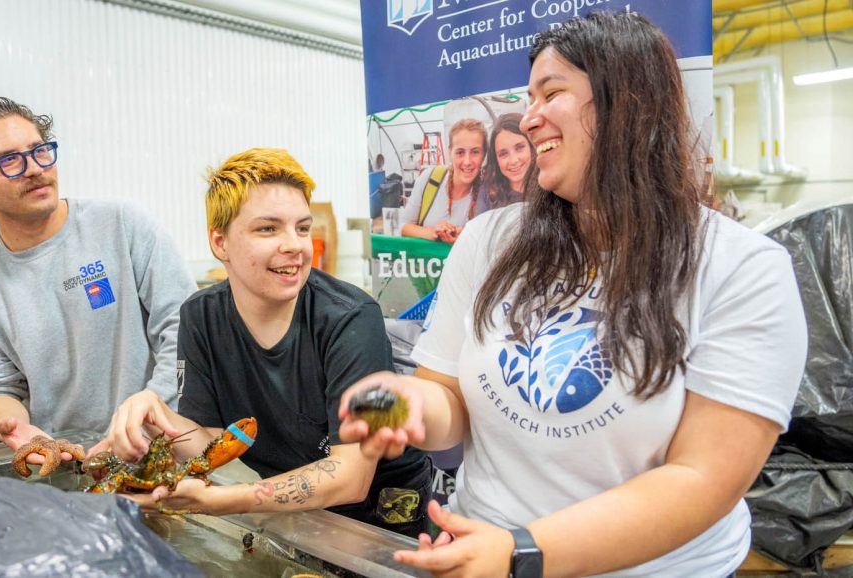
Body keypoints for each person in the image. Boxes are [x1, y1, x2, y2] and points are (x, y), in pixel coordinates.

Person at [339, 12, 806, 577]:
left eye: (551, 93)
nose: (529, 119)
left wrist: (523, 552)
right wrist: (407, 404)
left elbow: (702, 478)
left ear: (627, 102)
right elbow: (451, 402)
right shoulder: (490, 240)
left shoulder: (743, 267)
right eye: (528, 97)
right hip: (486, 548)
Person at [94, 148, 434, 537]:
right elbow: (211, 442)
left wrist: (226, 501)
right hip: (297, 511)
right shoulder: (200, 316)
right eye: (268, 229)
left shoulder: (352, 318)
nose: (295, 245)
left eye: (302, 228)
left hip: (382, 516)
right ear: (220, 243)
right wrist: (155, 419)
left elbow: (351, 476)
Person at [0, 96, 196, 469]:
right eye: (9, 161)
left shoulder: (123, 225)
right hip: (67, 464)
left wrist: (153, 405)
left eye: (40, 151)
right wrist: (14, 427)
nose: (35, 169)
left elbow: (183, 332)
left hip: (160, 448)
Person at [400, 118, 487, 244]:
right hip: (425, 263)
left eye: (475, 152)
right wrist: (434, 232)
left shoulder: (489, 193)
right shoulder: (431, 178)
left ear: (484, 155)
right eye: (460, 152)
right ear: (450, 153)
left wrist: (463, 239)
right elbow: (403, 226)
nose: (467, 162)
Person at [477, 112, 534, 213]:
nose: (513, 160)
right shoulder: (488, 194)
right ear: (496, 160)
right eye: (503, 154)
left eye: (519, 148)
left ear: (531, 146)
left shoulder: (551, 188)